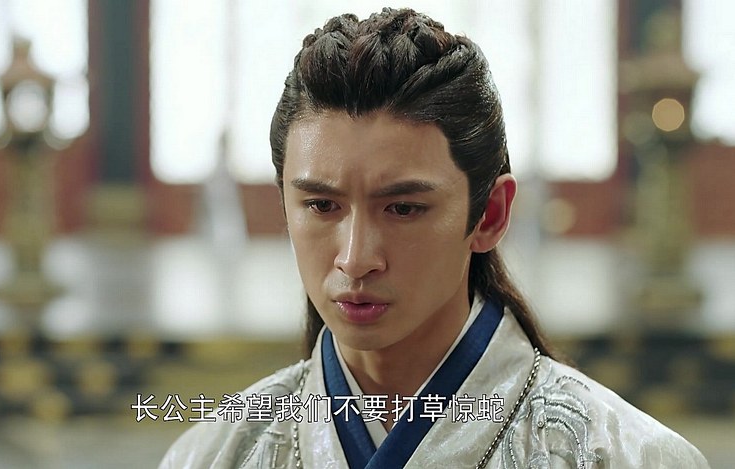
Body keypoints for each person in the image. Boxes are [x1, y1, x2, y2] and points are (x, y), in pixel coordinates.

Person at [160, 8, 709, 468]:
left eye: (403, 208)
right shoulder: (213, 453)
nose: (355, 259)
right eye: (321, 206)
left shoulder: (627, 455)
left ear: (489, 214)